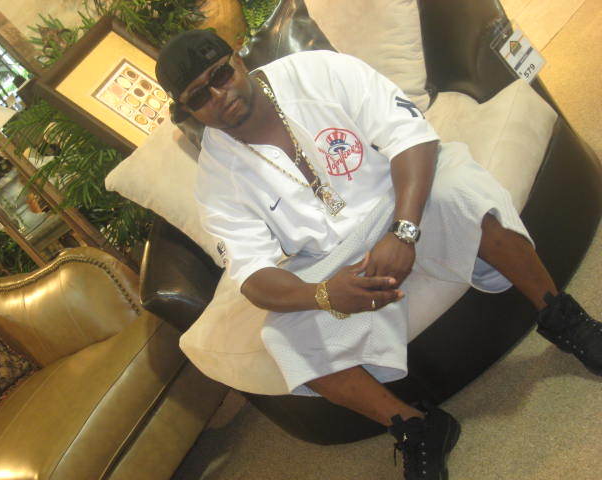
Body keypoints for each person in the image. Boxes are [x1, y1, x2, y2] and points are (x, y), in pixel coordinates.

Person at [155, 30, 602, 480]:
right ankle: (416, 426)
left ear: (238, 60)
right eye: (200, 96)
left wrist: (403, 232)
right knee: (284, 336)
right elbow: (253, 276)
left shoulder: (317, 73)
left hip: (395, 193)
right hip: (331, 256)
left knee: (458, 190)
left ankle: (561, 315)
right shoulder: (216, 177)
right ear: (188, 111)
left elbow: (411, 138)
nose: (219, 95)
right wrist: (324, 294)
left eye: (221, 75)